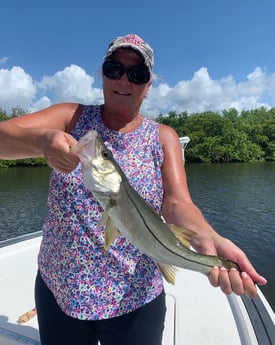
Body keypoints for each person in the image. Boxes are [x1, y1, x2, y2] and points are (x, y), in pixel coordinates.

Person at [0, 33, 267, 345]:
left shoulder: (163, 136)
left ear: (149, 84)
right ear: (102, 72)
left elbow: (177, 204)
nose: (123, 80)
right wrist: (40, 141)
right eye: (114, 69)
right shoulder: (71, 117)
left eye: (137, 74)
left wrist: (208, 236)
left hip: (135, 297)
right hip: (60, 289)